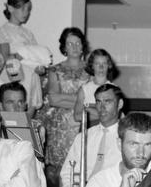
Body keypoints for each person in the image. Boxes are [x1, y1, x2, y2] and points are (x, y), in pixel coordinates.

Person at [41, 27, 90, 186]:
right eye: (70, 44)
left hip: (83, 125)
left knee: (82, 168)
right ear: (64, 47)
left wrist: (66, 99)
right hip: (59, 129)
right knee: (59, 174)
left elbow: (93, 99)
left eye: (78, 43)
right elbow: (54, 99)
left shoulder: (91, 69)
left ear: (83, 45)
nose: (75, 47)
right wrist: (81, 99)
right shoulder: (54, 70)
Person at [61, 84, 125, 187]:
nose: (101, 107)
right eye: (98, 102)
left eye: (107, 101)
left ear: (120, 104)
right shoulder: (83, 137)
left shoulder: (127, 138)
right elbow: (67, 172)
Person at [86, 112, 151, 187]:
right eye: (134, 144)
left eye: (148, 144)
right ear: (119, 144)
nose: (141, 153)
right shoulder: (100, 182)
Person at [0, 0, 48, 70]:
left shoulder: (28, 33)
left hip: (32, 72)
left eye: (28, 10)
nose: (26, 13)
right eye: (23, 9)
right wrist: (21, 55)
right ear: (10, 8)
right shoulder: (3, 31)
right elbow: (4, 58)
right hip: (16, 73)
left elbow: (36, 53)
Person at [73, 48, 116, 123]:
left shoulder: (114, 89)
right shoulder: (84, 89)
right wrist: (104, 115)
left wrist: (89, 110)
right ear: (92, 66)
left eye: (104, 63)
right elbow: (77, 116)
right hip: (88, 131)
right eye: (97, 64)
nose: (101, 67)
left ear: (109, 65)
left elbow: (116, 116)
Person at [0, 81, 46, 147]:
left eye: (20, 102)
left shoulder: (36, 128)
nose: (16, 107)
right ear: (0, 105)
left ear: (25, 105)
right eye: (10, 102)